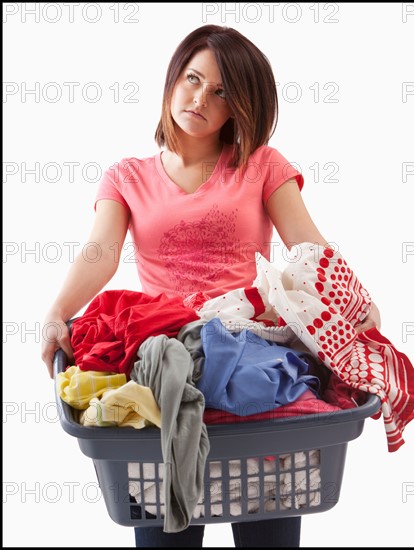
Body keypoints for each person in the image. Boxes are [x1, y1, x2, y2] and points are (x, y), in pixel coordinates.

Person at [41, 24, 381, 548]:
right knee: (164, 532)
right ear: (173, 78)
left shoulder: (263, 166)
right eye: (192, 78)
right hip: (166, 354)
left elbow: (309, 246)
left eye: (221, 91)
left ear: (240, 105)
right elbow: (101, 252)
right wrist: (57, 312)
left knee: (267, 527)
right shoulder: (126, 176)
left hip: (250, 352)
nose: (199, 98)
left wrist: (357, 300)